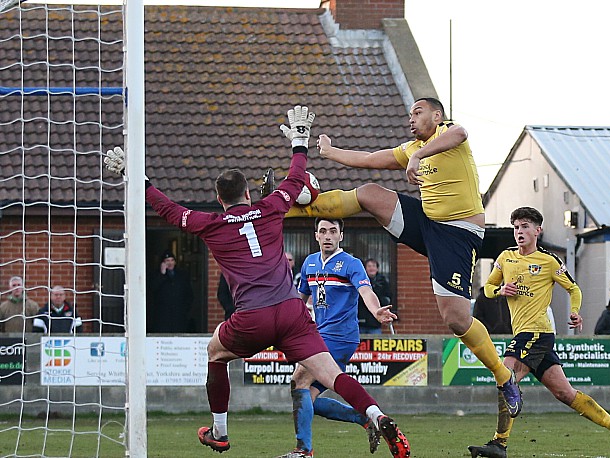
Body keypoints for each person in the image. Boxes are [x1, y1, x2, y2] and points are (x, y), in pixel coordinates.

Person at [104, 106, 410, 458]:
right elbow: (296, 180)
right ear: (249, 193)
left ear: (221, 200)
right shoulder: (271, 207)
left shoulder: (210, 224)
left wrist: (135, 176)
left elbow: (169, 209)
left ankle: (219, 432)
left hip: (252, 317)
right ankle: (377, 415)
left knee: (215, 354)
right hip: (293, 313)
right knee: (330, 376)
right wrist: (299, 142)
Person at [275, 97, 522, 416]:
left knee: (456, 319)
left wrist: (419, 154)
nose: (411, 118)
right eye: (410, 114)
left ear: (437, 115)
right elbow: (367, 158)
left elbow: (460, 133)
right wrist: (329, 151)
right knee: (368, 194)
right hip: (427, 222)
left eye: (418, 113)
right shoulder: (409, 149)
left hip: (458, 232)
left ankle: (504, 377)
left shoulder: (447, 133)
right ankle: (289, 206)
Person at [467, 207, 610, 458]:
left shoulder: (549, 261)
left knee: (505, 376)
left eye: (524, 227)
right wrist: (500, 291)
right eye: (516, 227)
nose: (519, 232)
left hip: (537, 332)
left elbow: (574, 289)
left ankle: (499, 443)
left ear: (537, 230)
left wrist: (575, 312)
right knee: (565, 393)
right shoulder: (505, 257)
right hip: (524, 334)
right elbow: (487, 288)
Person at [279, 218, 397, 458]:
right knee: (306, 398)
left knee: (299, 379)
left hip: (341, 336)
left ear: (341, 235)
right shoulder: (309, 263)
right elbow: (299, 301)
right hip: (320, 335)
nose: (328, 236)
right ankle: (364, 418)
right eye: (323, 231)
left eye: (333, 231)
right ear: (316, 236)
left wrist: (376, 311)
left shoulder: (351, 264)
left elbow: (366, 291)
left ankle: (304, 450)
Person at [148, 250, 194, 333]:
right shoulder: (155, 274)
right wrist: (162, 274)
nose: (170, 263)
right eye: (167, 261)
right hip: (162, 315)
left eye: (172, 260)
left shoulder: (182, 275)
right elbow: (152, 289)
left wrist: (186, 309)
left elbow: (189, 294)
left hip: (179, 314)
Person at [358, 258, 392, 335]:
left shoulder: (382, 282)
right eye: (369, 266)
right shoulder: (360, 281)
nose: (371, 268)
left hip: (375, 322)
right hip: (361, 320)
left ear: (377, 268)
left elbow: (388, 297)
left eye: (373, 266)